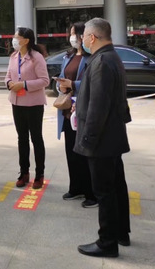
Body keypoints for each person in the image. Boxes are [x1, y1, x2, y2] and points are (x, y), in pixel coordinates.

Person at [74, 18, 131, 258]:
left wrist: (88, 140)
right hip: (111, 137)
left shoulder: (102, 61)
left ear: (92, 37)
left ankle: (107, 242)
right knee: (116, 187)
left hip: (101, 140)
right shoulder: (110, 57)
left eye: (83, 36)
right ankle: (120, 232)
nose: (81, 40)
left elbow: (98, 107)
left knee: (104, 192)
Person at [56, 22, 97, 208]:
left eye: (73, 33)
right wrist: (61, 85)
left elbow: (91, 83)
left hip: (82, 111)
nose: (71, 37)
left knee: (85, 154)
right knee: (71, 152)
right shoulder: (69, 56)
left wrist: (72, 84)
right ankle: (76, 187)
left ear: (83, 35)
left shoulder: (91, 58)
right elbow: (62, 77)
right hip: (67, 111)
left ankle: (91, 193)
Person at [4, 27, 49, 189]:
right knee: (22, 139)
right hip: (17, 103)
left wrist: (23, 84)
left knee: (36, 138)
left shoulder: (36, 57)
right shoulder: (14, 56)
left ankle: (39, 174)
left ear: (26, 40)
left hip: (34, 104)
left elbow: (45, 80)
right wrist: (9, 83)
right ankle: (24, 173)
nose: (14, 40)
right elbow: (8, 76)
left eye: (17, 37)